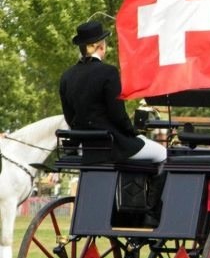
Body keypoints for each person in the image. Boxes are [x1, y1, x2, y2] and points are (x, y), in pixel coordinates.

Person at [59, 21, 166, 163]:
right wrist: (133, 132)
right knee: (162, 153)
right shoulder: (109, 72)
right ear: (101, 46)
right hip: (112, 146)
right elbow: (118, 115)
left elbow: (69, 117)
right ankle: (149, 186)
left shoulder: (66, 76)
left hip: (85, 148)